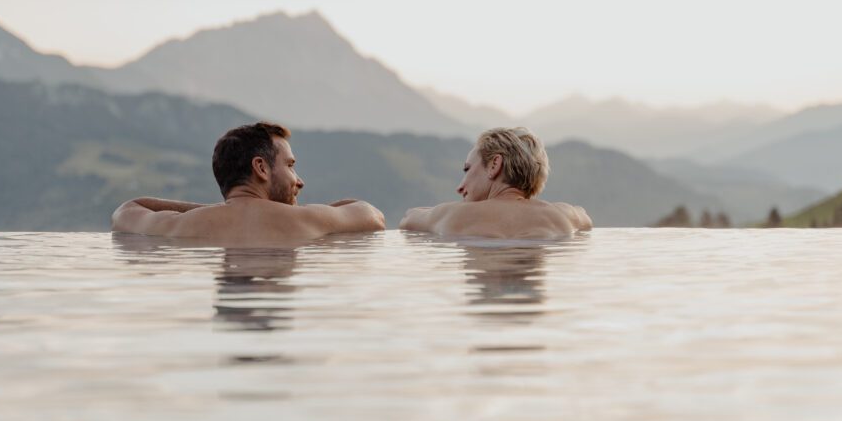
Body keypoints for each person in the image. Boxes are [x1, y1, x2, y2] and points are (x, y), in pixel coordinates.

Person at [112, 122, 385, 246]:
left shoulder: (178, 224)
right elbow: (372, 215)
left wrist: (220, 210)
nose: (299, 181)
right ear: (261, 168)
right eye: (290, 166)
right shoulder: (310, 219)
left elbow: (128, 210)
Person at [400, 127, 591, 238]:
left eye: (468, 169)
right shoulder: (562, 215)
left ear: (494, 165)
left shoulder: (454, 215)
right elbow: (584, 217)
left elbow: (408, 219)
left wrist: (440, 211)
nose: (460, 187)